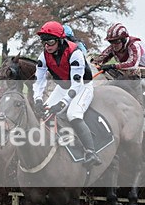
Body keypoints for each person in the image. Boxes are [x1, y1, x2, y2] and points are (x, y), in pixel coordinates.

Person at [32, 21, 101, 168]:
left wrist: (63, 103)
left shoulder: (75, 53)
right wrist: (37, 100)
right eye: (43, 42)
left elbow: (76, 84)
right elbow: (38, 82)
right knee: (45, 114)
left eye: (50, 41)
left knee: (73, 114)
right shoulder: (43, 56)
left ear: (60, 40)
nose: (47, 46)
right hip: (63, 87)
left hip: (82, 86)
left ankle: (91, 152)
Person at [93, 22, 145, 106]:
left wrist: (113, 65)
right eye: (111, 42)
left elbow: (132, 64)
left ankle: (139, 105)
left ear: (123, 40)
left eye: (116, 41)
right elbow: (99, 59)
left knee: (127, 75)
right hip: (130, 71)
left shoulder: (134, 45)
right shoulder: (113, 47)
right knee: (106, 73)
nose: (113, 45)